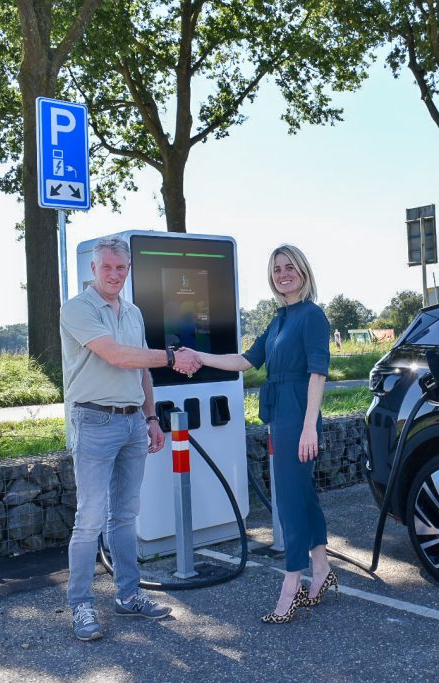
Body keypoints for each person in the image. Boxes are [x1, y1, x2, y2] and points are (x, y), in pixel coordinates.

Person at [179, 244, 338, 623]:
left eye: (289, 267)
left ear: (303, 270)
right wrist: (202, 358)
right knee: (303, 496)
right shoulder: (279, 319)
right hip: (280, 413)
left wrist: (307, 428)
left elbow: (318, 372)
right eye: (276, 269)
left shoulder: (312, 316)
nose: (283, 274)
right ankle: (321, 571)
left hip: (298, 415)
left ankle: (290, 585)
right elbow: (247, 360)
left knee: (289, 500)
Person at [60, 236, 201, 642]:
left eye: (121, 268)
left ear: (129, 270)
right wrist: (174, 356)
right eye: (107, 267)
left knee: (125, 515)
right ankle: (81, 604)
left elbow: (141, 371)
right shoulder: (78, 308)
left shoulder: (134, 312)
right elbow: (118, 356)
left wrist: (152, 418)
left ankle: (128, 595)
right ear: (93, 268)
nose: (115, 274)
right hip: (94, 422)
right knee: (89, 519)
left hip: (132, 424)